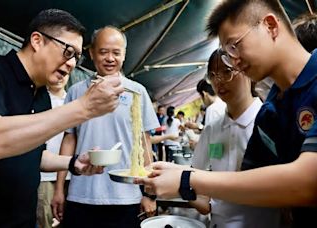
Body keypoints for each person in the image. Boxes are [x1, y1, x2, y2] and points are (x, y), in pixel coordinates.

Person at [0, 9, 124, 228]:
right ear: (37, 41)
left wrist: (74, 163)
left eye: (77, 56)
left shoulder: (41, 97)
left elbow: (33, 155)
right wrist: (83, 108)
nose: (72, 64)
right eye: (68, 52)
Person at [135, 0, 317, 227]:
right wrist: (179, 171)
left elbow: (308, 184)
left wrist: (187, 179)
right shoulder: (271, 109)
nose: (235, 61)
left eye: (235, 46)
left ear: (270, 26)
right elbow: (249, 180)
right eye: (228, 54)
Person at [52, 25, 159, 228]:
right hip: (81, 195)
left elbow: (144, 142)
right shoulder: (76, 92)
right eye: (103, 52)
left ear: (124, 55)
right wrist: (59, 189)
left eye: (116, 53)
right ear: (91, 53)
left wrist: (149, 193)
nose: (110, 58)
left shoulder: (137, 92)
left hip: (126, 197)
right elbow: (69, 139)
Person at [190, 48, 281, 227]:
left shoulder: (269, 122)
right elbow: (195, 176)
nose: (219, 81)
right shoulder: (212, 129)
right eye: (213, 75)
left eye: (227, 71)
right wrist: (193, 195)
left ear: (248, 71)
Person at [36, 74, 69, 228]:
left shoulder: (74, 101)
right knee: (46, 220)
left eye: (65, 73)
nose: (61, 77)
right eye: (57, 72)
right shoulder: (38, 99)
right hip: (44, 175)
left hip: (70, 173)